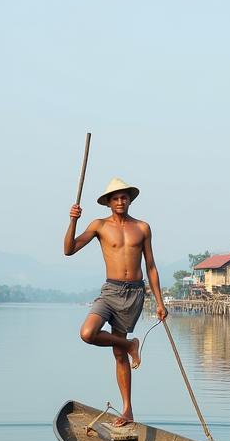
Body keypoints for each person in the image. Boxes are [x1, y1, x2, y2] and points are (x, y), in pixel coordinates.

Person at [64, 176, 167, 426]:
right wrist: (72, 221)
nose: (121, 201)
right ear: (108, 202)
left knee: (119, 355)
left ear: (130, 200)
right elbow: (69, 249)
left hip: (134, 293)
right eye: (116, 198)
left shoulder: (142, 227)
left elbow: (151, 266)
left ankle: (127, 410)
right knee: (88, 333)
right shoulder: (99, 225)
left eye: (124, 197)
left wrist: (160, 301)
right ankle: (130, 344)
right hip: (110, 291)